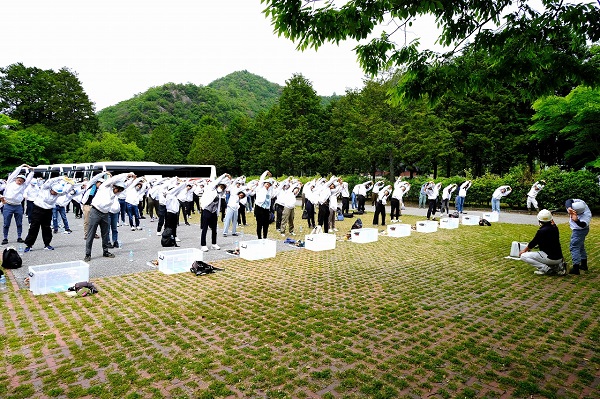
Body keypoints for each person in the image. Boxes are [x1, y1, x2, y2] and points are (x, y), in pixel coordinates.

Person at [84, 173, 133, 262]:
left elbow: (126, 185)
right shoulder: (105, 187)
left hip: (105, 213)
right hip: (95, 211)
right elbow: (115, 178)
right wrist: (126, 175)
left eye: (120, 190)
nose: (118, 192)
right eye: (118, 189)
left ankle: (105, 251)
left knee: (105, 234)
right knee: (91, 234)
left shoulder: (116, 193)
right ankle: (88, 254)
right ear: (114, 187)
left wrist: (132, 179)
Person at [23, 176, 72, 252]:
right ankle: (29, 245)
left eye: (57, 192)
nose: (55, 193)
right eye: (54, 191)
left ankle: (47, 244)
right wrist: (61, 178)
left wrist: (71, 183)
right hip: (38, 209)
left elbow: (66, 191)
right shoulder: (45, 188)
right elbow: (50, 181)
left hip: (48, 211)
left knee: (47, 228)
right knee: (34, 227)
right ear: (51, 189)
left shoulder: (58, 193)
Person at [518, 209, 566, 275]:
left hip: (549, 258)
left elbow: (533, 243)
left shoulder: (541, 231)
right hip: (559, 258)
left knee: (523, 256)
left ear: (539, 220)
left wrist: (524, 251)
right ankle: (557, 266)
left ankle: (545, 268)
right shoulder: (555, 228)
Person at [2, 164, 34, 245]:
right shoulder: (10, 182)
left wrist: (32, 171)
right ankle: (5, 238)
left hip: (18, 206)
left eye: (22, 181)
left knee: (19, 223)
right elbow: (14, 173)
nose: (20, 182)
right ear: (16, 179)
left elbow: (29, 179)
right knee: (6, 223)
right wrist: (22, 166)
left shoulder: (23, 186)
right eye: (19, 180)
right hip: (8, 205)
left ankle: (19, 237)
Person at [200, 173, 230, 251]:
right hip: (207, 210)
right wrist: (224, 175)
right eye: (220, 186)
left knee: (214, 229)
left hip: (214, 212)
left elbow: (227, 187)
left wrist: (228, 180)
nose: (221, 188)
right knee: (205, 228)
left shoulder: (220, 194)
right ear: (217, 185)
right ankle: (203, 245)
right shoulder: (211, 188)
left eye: (222, 187)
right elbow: (217, 181)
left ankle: (214, 243)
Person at [565, 199, 592, 275]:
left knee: (574, 247)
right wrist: (569, 208)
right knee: (580, 246)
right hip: (578, 230)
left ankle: (576, 268)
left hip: (579, 231)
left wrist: (576, 221)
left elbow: (582, 225)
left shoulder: (586, 215)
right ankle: (584, 265)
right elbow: (568, 200)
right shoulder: (581, 203)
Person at [253, 171, 274, 239]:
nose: (267, 185)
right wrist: (266, 173)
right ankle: (259, 237)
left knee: (266, 224)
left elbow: (272, 183)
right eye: (266, 184)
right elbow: (261, 178)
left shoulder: (270, 191)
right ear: (264, 184)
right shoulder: (260, 188)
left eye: (269, 185)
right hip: (259, 207)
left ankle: (265, 237)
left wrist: (270, 177)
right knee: (259, 224)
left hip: (266, 209)